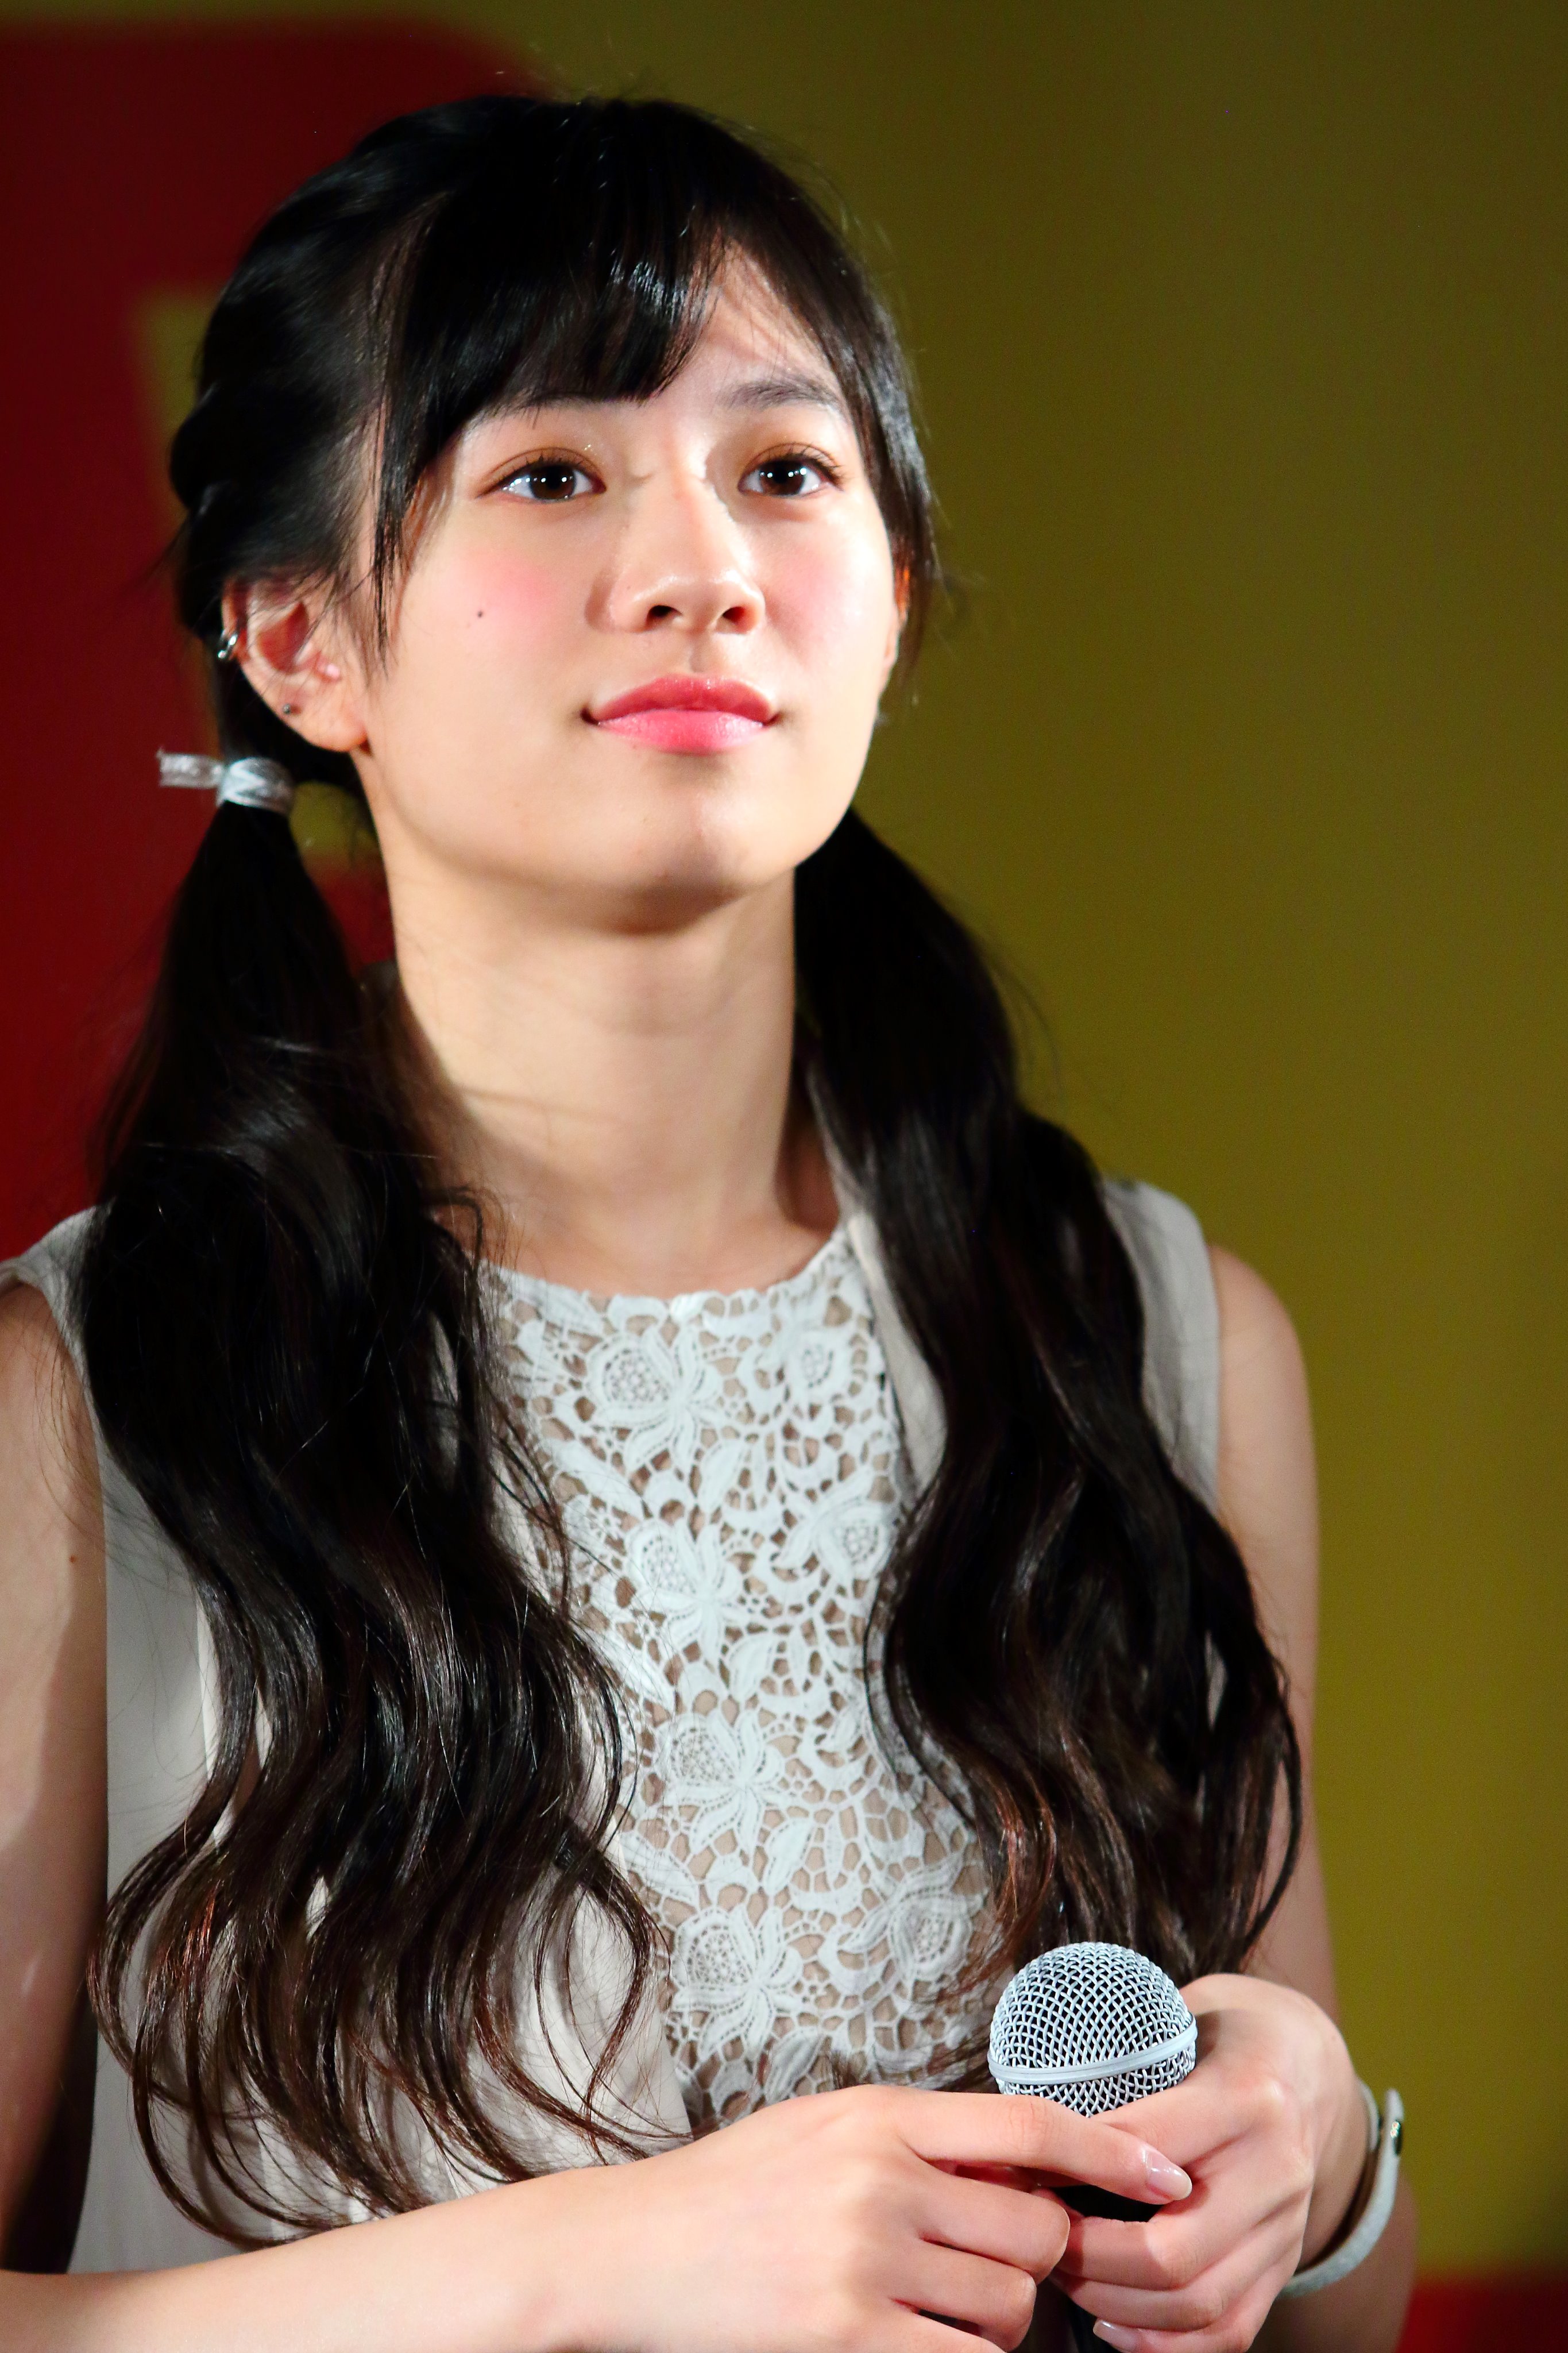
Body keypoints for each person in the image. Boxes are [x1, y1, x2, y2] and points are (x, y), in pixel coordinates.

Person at [0, 94, 1415, 2352]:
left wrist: (1311, 2151)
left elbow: (1333, 2317)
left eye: (782, 469)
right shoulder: (84, 1400)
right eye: (552, 475)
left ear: (892, 602)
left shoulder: (1141, 1330)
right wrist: (597, 2268)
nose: (701, 565)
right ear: (297, 641)